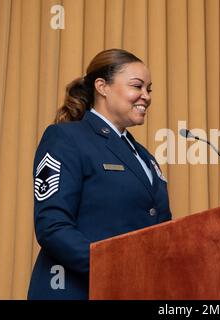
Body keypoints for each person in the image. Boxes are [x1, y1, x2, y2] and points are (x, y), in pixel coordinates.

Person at [27, 49, 172, 300]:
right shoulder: (65, 138)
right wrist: (113, 269)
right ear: (102, 86)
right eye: (137, 86)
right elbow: (53, 227)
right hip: (78, 291)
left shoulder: (144, 156)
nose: (146, 96)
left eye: (149, 89)